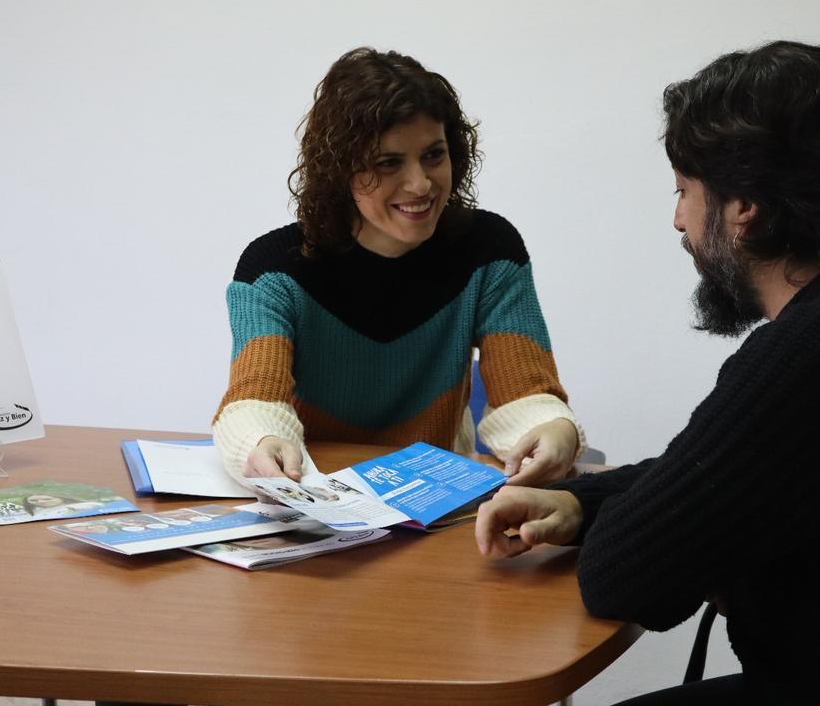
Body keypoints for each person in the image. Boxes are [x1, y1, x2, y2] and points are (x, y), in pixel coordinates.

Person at [475, 41, 820, 706]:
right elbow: (725, 473)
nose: (679, 219)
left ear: (745, 207)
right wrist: (582, 502)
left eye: (686, 191)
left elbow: (624, 579)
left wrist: (662, 539)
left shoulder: (812, 355)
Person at [212, 47, 583, 495]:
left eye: (433, 155)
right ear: (339, 171)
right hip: (314, 497)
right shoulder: (273, 267)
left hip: (438, 501)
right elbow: (255, 398)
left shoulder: (491, 250)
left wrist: (556, 429)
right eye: (389, 163)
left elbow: (523, 393)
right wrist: (261, 442)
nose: (421, 184)